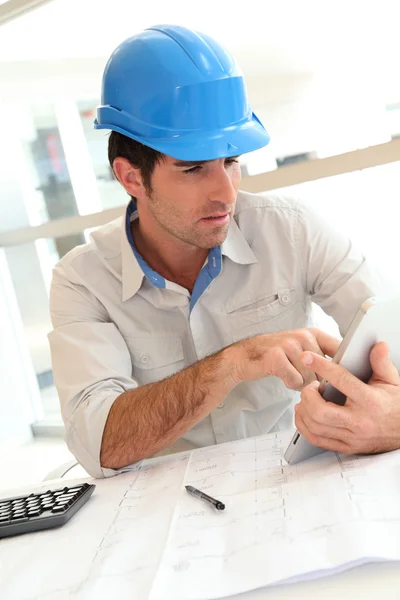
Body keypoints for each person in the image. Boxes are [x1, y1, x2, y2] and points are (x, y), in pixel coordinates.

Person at [48, 24, 387, 478]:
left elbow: (391, 338)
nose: (226, 192)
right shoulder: (83, 281)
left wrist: (385, 419)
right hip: (170, 507)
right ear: (131, 178)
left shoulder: (292, 229)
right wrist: (231, 364)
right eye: (193, 169)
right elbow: (101, 443)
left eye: (231, 161)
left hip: (296, 479)